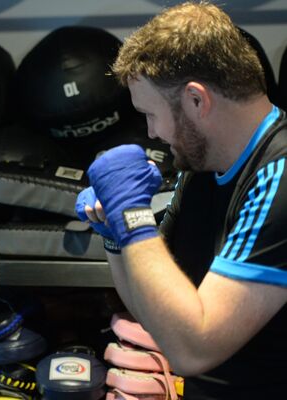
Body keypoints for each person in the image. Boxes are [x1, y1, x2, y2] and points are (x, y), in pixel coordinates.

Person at [76, 2, 287, 399]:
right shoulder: (200, 171)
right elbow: (156, 313)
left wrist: (133, 213)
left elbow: (192, 348)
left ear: (195, 100)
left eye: (150, 114)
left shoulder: (279, 177)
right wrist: (117, 235)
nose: (152, 133)